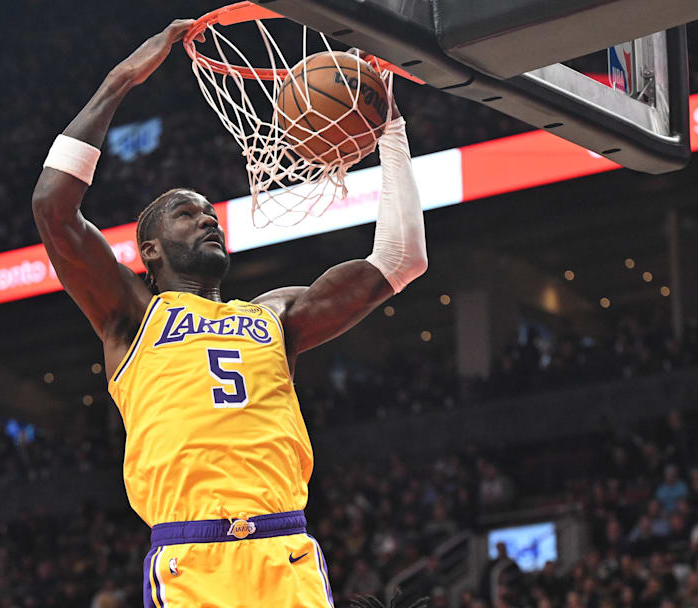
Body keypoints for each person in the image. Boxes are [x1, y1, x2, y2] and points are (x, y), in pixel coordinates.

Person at [31, 19, 427, 608]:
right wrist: (119, 80)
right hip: (193, 561)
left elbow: (400, 261)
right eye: (186, 215)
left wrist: (391, 126)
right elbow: (53, 208)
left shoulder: (277, 316)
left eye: (209, 211)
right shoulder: (132, 316)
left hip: (284, 552)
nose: (207, 218)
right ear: (150, 251)